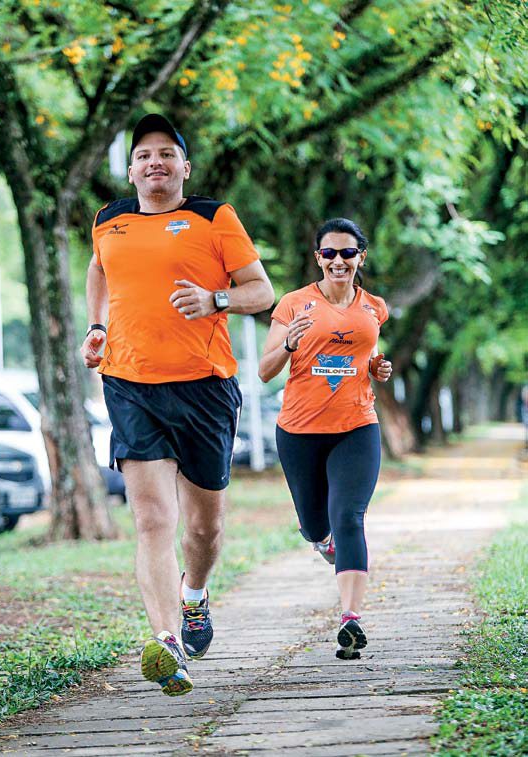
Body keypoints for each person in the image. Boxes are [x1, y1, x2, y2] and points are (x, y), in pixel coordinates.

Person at [80, 113, 274, 696]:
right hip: (130, 383)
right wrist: (97, 325)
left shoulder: (214, 217)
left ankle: (194, 594)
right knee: (152, 518)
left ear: (184, 167)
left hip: (204, 388)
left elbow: (261, 291)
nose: (154, 162)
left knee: (204, 529)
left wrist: (215, 298)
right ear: (131, 168)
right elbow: (98, 269)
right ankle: (168, 644)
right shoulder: (107, 220)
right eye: (143, 154)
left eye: (167, 153)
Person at [258, 217, 392, 660]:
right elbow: (264, 371)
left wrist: (377, 367)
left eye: (347, 253)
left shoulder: (375, 307)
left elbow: (366, 349)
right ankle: (323, 541)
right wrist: (290, 346)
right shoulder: (293, 304)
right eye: (329, 253)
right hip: (299, 432)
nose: (338, 260)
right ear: (318, 258)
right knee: (317, 525)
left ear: (360, 258)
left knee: (349, 516)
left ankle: (351, 619)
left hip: (357, 427)